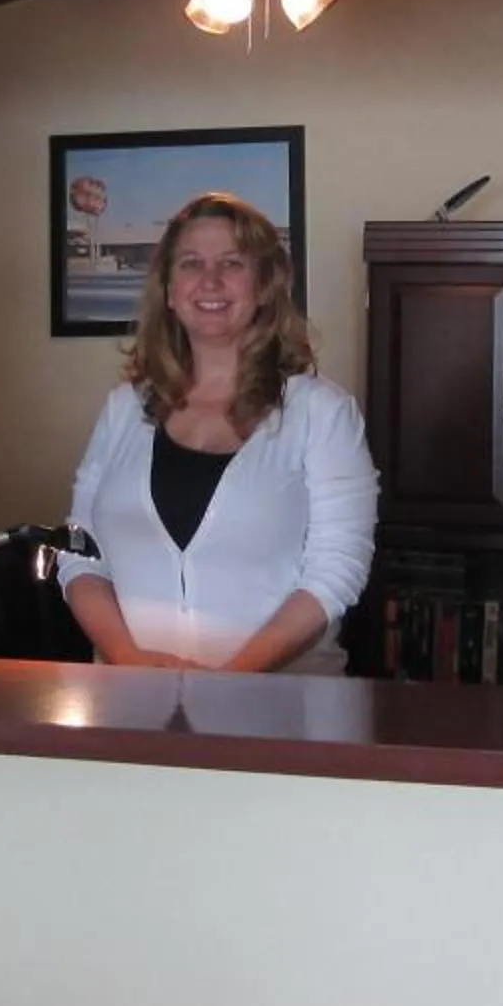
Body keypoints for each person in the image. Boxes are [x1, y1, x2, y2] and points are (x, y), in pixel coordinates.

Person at [56, 193, 377, 673]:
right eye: (191, 264)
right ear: (168, 289)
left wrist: (232, 681)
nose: (210, 281)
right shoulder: (124, 409)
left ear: (266, 286)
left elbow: (336, 573)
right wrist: (127, 661)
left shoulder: (323, 413)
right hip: (128, 708)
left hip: (283, 715)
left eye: (233, 263)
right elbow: (78, 552)